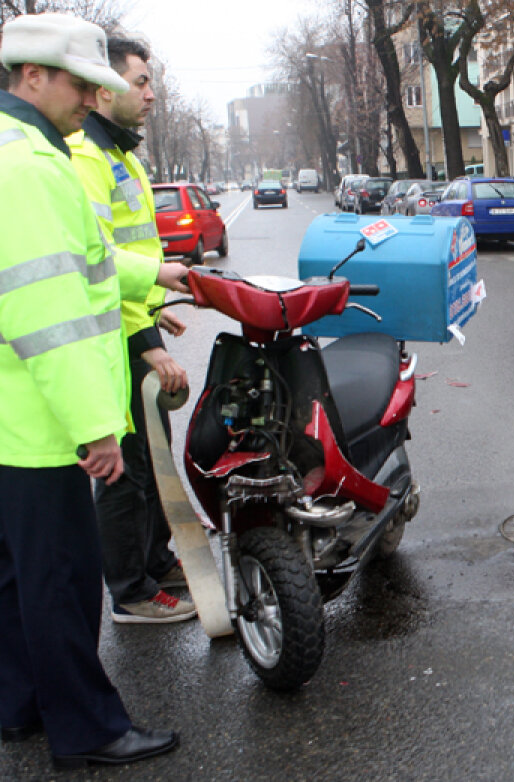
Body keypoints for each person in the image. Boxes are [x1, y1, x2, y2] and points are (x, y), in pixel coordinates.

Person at [0, 12, 186, 768]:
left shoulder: (26, 153)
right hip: (39, 425)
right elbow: (49, 313)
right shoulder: (32, 170)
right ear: (33, 76)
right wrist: (95, 427)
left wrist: (153, 273)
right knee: (61, 583)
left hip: (15, 420)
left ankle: (18, 705)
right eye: (81, 84)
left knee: (16, 580)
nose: (90, 99)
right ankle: (88, 727)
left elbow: (88, 258)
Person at [68, 35, 195, 625]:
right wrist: (146, 341)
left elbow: (129, 254)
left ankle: (155, 561)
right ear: (104, 88)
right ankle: (131, 593)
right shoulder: (86, 159)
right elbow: (94, 263)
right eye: (140, 82)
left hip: (135, 321)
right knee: (124, 469)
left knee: (150, 459)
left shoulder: (123, 157)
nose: (150, 93)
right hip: (113, 339)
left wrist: (152, 307)